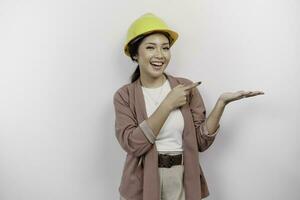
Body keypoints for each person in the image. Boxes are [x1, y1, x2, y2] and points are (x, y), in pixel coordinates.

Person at [113, 13, 264, 200]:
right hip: (141, 184)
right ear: (135, 54)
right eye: (151, 47)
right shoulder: (124, 96)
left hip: (182, 179)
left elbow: (201, 143)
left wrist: (221, 104)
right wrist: (168, 103)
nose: (160, 55)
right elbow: (133, 144)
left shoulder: (186, 88)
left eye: (165, 48)